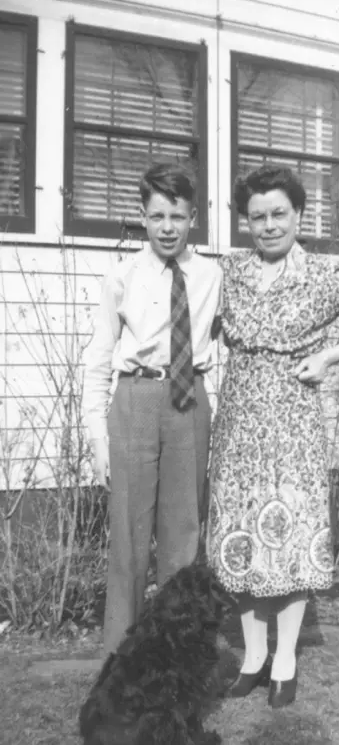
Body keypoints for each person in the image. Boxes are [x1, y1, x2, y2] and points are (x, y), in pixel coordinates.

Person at [207, 165, 339, 708]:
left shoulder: (322, 275)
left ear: (298, 215)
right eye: (257, 217)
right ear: (246, 222)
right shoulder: (231, 272)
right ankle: (253, 657)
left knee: (289, 535)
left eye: (278, 214)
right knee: (240, 533)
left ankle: (285, 658)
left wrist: (328, 357)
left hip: (293, 422)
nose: (268, 226)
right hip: (239, 421)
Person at [83, 163, 222, 656]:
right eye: (158, 216)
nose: (167, 227)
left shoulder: (211, 275)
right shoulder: (121, 277)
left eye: (178, 217)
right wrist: (97, 439)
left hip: (189, 401)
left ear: (193, 219)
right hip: (135, 399)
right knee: (128, 532)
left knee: (184, 532)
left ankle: (177, 654)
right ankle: (121, 656)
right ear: (142, 216)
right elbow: (99, 357)